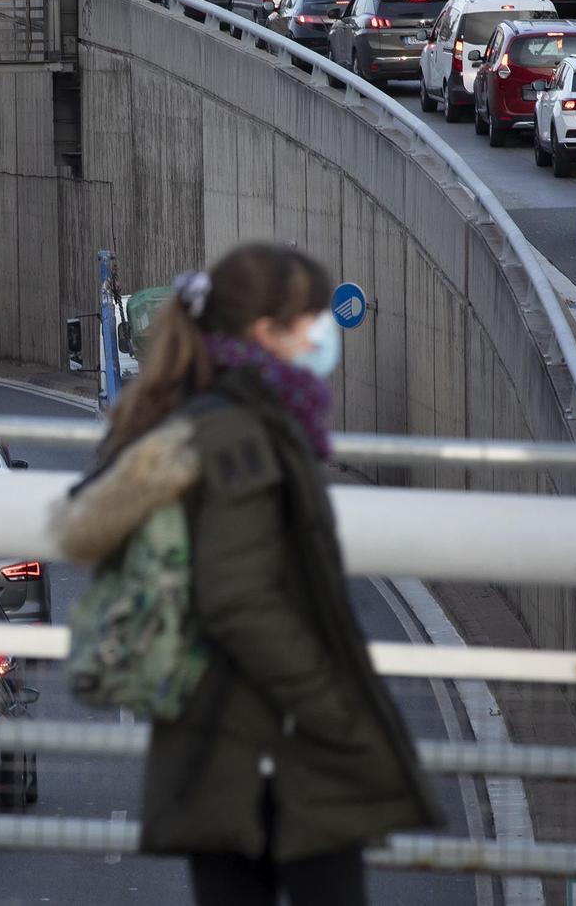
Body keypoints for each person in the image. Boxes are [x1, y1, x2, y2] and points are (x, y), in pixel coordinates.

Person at [52, 242, 440, 906]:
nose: (326, 334)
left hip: (212, 749)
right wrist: (335, 708)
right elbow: (241, 598)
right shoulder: (242, 431)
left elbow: (89, 514)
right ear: (266, 331)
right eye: (313, 318)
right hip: (280, 748)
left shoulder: (201, 415)